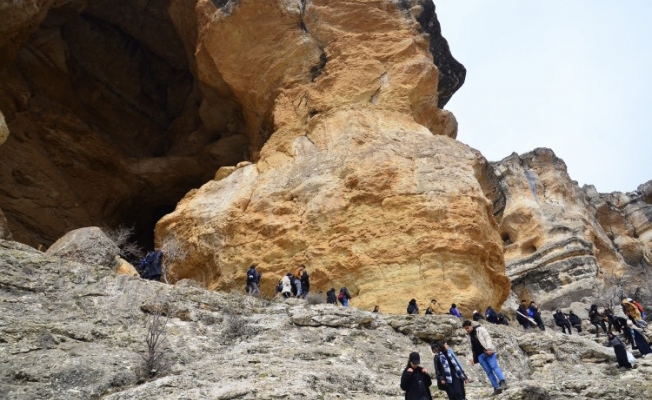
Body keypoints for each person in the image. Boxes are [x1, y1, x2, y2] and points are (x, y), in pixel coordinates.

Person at [462, 320, 507, 396]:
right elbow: (472, 348)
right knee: (488, 372)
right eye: (465, 329)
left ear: (471, 325)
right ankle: (496, 388)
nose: (467, 330)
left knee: (494, 367)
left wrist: (489, 348)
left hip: (487, 352)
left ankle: (503, 382)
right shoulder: (469, 336)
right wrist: (473, 358)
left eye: (468, 328)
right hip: (480, 356)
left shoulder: (480, 329)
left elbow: (487, 338)